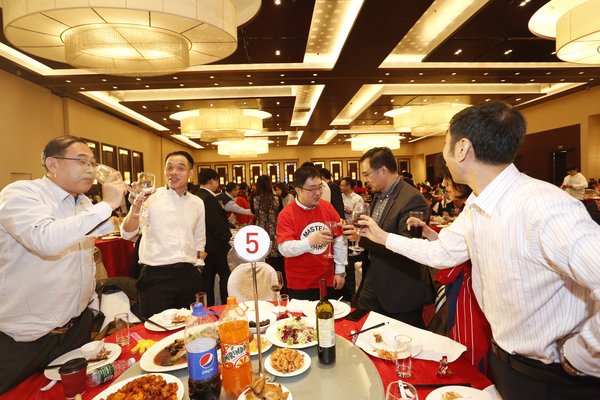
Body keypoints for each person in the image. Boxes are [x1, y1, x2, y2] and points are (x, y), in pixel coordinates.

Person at [358, 101, 600, 400]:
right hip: (507, 363)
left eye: (445, 143)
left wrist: (582, 356)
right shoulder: (477, 204)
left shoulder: (545, 206)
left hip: (554, 378)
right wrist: (384, 238)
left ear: (461, 149)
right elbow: (443, 253)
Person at [0, 135, 126, 393]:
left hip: (75, 329)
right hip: (27, 337)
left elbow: (104, 239)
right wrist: (108, 204)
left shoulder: (82, 202)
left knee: (76, 393)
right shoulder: (21, 194)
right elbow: (45, 240)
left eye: (93, 163)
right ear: (52, 164)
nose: (91, 169)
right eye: (81, 161)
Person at [343, 147, 434, 328]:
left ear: (383, 170)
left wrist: (360, 238)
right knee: (361, 327)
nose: (365, 179)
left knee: (401, 336)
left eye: (367, 174)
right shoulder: (378, 195)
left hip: (400, 286)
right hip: (374, 276)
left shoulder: (412, 199)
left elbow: (405, 247)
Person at [121, 151, 206, 318]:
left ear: (190, 173)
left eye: (180, 168)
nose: (173, 172)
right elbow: (127, 233)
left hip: (188, 275)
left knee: (191, 325)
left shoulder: (197, 203)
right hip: (156, 277)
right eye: (169, 168)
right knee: (155, 327)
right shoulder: (150, 198)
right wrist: (136, 207)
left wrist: (198, 265)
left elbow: (199, 239)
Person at [432, 165, 492, 374]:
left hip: (472, 288)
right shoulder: (470, 208)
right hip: (466, 285)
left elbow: (448, 253)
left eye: (448, 179)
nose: (444, 185)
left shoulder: (479, 210)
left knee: (471, 340)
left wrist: (384, 237)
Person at [276, 166, 347, 300]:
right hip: (299, 283)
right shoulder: (286, 214)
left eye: (320, 187)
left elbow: (339, 239)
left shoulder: (327, 207)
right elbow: (284, 248)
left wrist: (340, 271)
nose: (318, 193)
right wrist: (310, 242)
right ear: (298, 190)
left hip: (327, 279)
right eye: (312, 189)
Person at [196, 169, 232, 306]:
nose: (218, 184)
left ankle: (208, 307)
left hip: (203, 246)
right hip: (215, 246)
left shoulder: (196, 196)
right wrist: (226, 238)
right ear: (211, 181)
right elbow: (216, 225)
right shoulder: (209, 199)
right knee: (225, 276)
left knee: (206, 280)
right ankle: (226, 305)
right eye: (217, 181)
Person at [253, 175, 284, 278]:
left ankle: (263, 278)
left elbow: (254, 213)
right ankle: (278, 279)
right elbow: (281, 212)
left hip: (260, 229)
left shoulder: (255, 198)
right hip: (275, 228)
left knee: (262, 255)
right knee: (277, 257)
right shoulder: (277, 198)